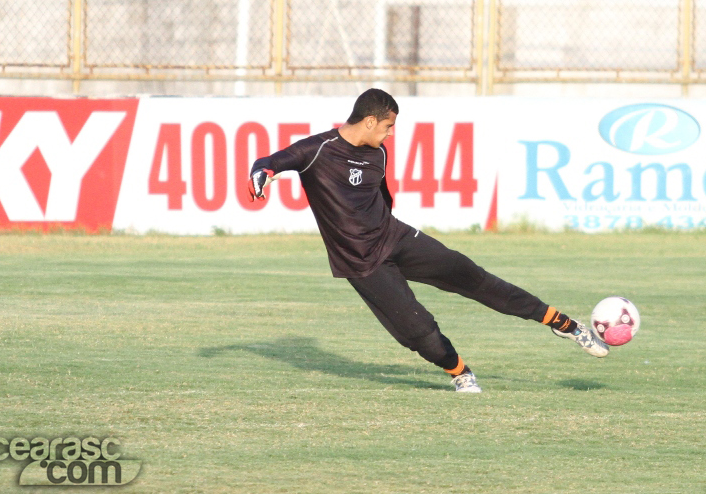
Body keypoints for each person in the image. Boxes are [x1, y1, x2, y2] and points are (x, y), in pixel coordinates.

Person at [247, 88, 608, 393]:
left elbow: (381, 200)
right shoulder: (317, 150)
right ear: (370, 121)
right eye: (388, 126)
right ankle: (462, 374)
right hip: (362, 263)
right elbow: (271, 161)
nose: (390, 134)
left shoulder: (379, 152)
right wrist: (262, 174)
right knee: (420, 332)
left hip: (397, 237)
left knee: (473, 276)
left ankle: (565, 325)